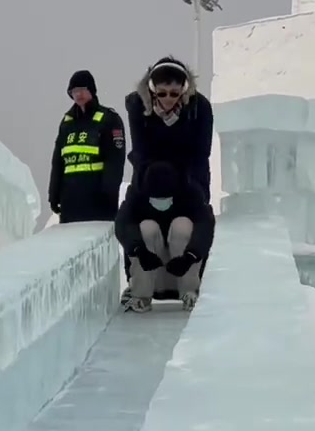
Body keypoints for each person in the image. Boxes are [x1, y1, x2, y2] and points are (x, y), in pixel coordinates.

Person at [115, 161, 215, 312]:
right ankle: (140, 296)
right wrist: (139, 250)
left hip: (184, 271)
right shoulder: (137, 196)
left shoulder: (191, 195)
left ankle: (190, 293)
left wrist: (190, 256)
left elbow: (205, 226)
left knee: (182, 224)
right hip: (152, 274)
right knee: (147, 227)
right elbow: (123, 224)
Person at [124, 56, 214, 200]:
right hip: (150, 174)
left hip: (188, 175)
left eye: (174, 93)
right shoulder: (137, 105)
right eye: (162, 93)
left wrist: (198, 196)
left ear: (184, 90)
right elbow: (141, 150)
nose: (168, 98)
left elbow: (201, 154)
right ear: (152, 90)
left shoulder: (199, 107)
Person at [48, 70, 126, 223]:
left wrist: (109, 192)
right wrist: (54, 194)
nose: (78, 94)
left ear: (91, 90)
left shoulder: (109, 119)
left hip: (98, 201)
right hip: (70, 202)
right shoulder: (67, 123)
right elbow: (58, 161)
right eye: (74, 91)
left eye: (82, 89)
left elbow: (115, 159)